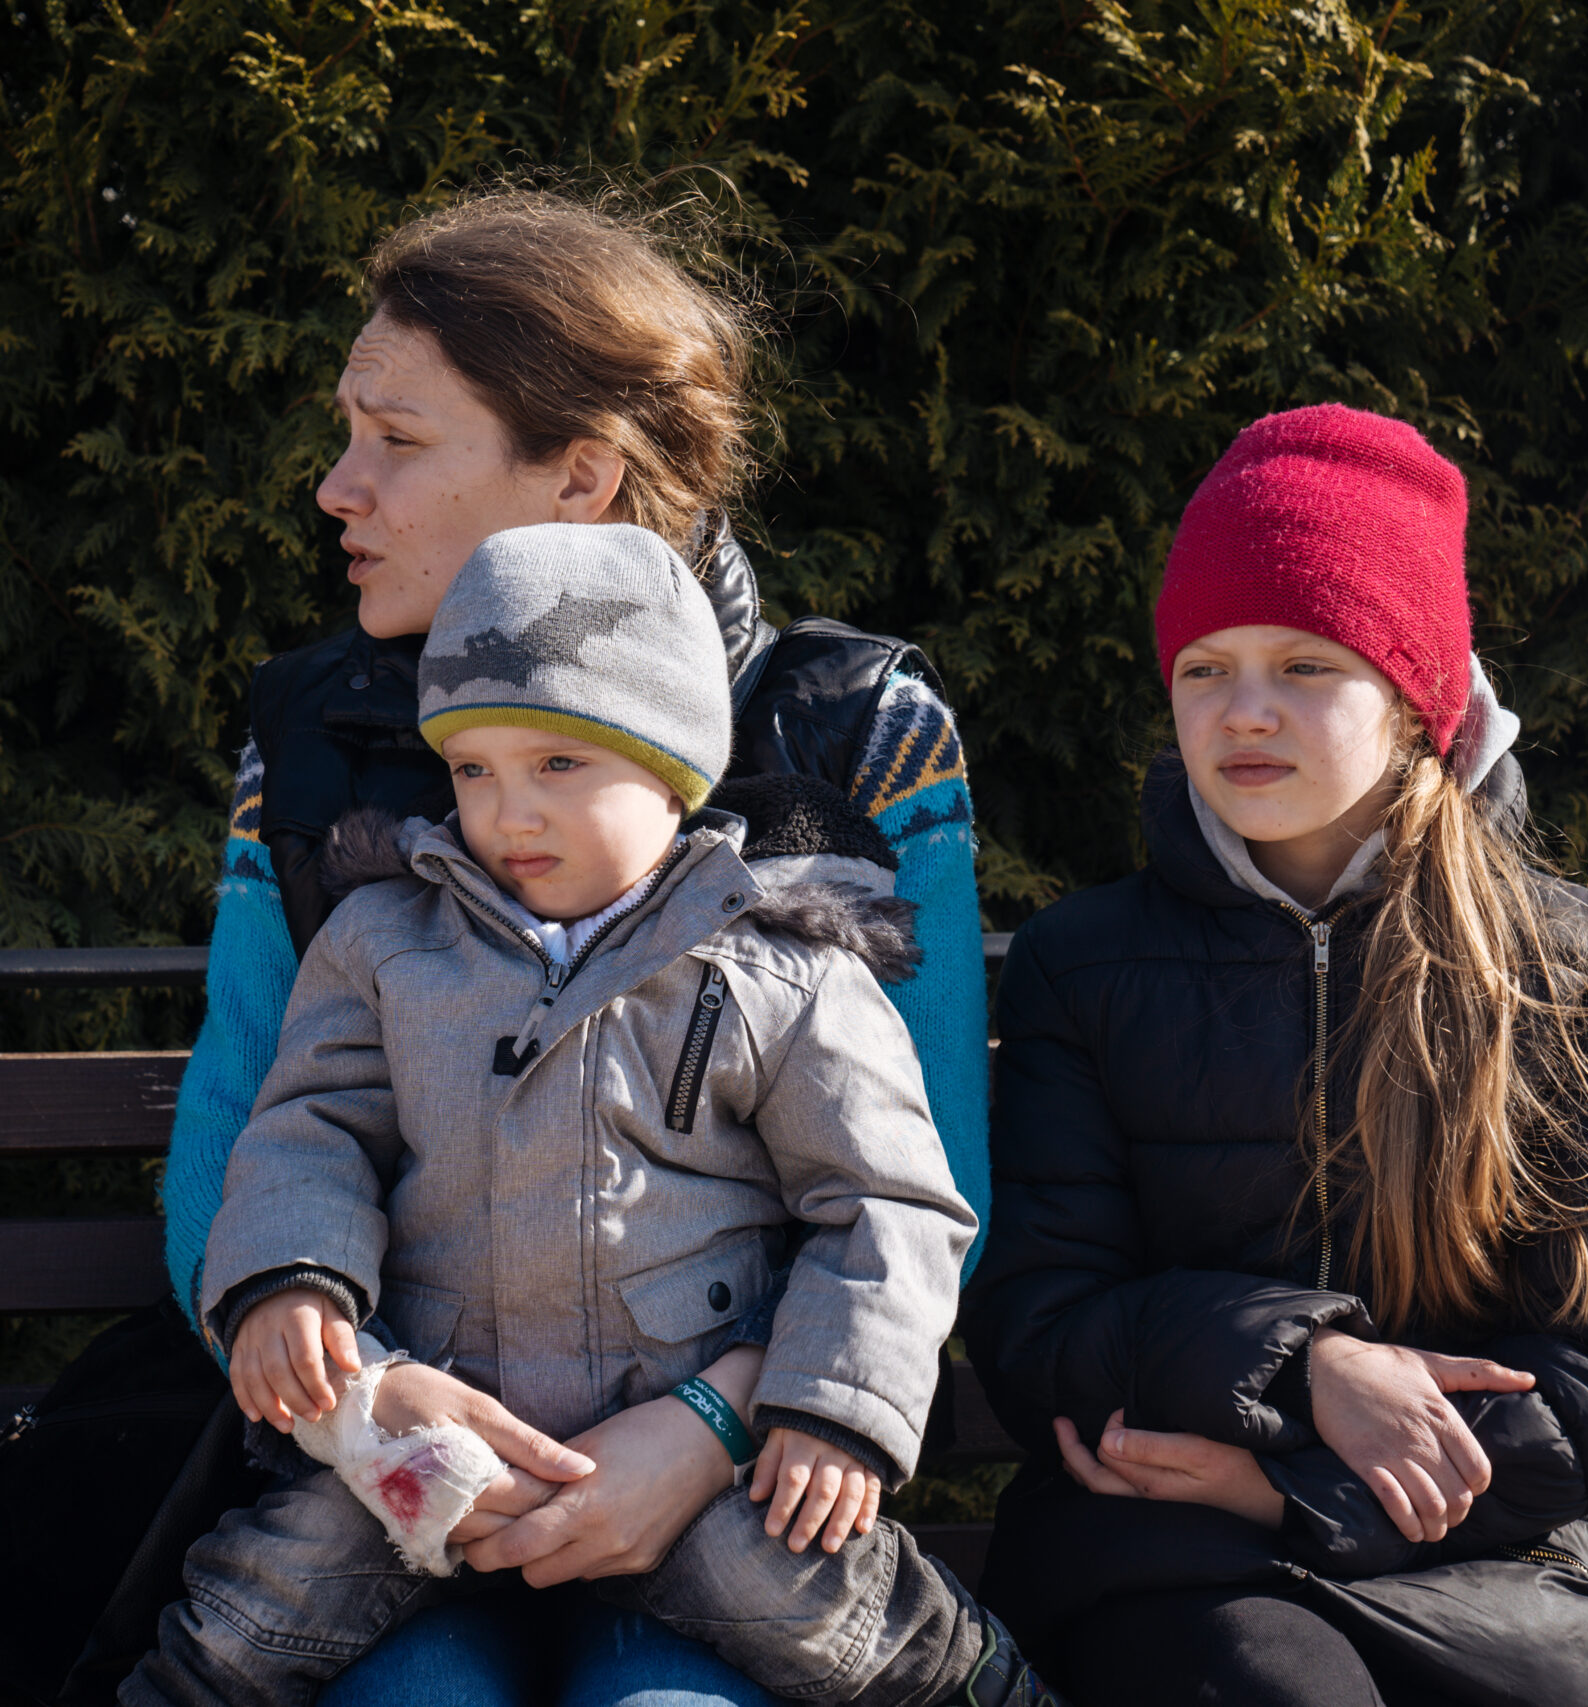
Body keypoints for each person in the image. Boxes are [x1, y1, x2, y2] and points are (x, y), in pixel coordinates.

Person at [159, 187, 995, 1703]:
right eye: (350, 434)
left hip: (731, 1496)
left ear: (581, 478)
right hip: (386, 1484)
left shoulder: (855, 729)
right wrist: (380, 1416)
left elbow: (917, 1186)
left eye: (396, 441)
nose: (338, 490)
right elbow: (250, 1142)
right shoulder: (311, 739)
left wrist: (711, 1429)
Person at [960, 404, 1588, 1706]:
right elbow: (1040, 1329)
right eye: (1203, 668)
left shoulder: (1575, 973)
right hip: (1169, 1553)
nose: (1244, 711)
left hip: (1491, 1566)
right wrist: (1308, 1363)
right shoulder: (1085, 968)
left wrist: (1289, 1478)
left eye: (1307, 664)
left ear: (1417, 696)